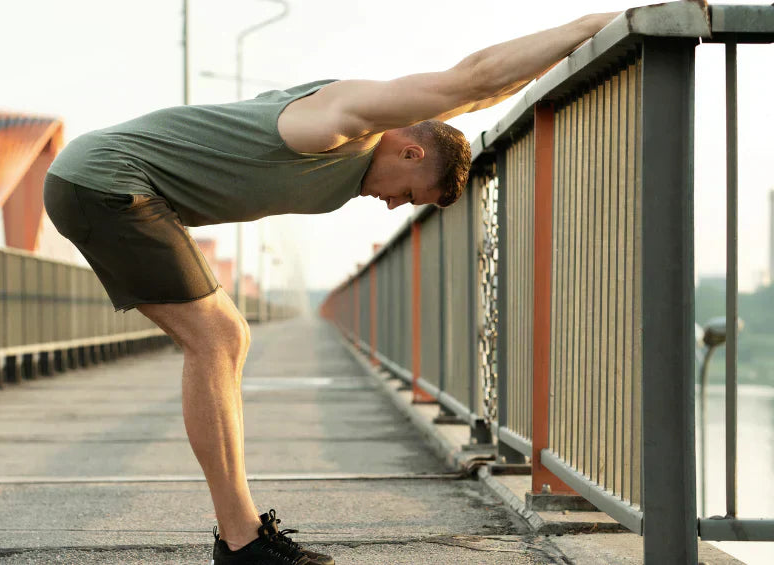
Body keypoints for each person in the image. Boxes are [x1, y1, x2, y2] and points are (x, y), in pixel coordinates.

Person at [43, 10, 620, 565]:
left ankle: (242, 538)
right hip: (107, 181)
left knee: (228, 339)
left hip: (115, 186)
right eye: (409, 193)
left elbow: (481, 94)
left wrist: (566, 48)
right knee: (216, 340)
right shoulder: (345, 121)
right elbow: (472, 76)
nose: (394, 204)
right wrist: (596, 26)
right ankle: (242, 545)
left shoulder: (363, 144)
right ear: (410, 150)